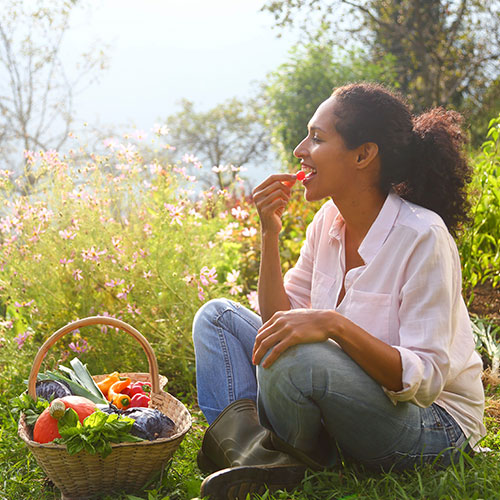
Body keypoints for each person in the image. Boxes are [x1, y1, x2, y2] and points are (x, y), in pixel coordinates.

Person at [192, 82, 486, 500]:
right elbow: (278, 321)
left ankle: (273, 455)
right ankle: (261, 459)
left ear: (364, 155)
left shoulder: (423, 237)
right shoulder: (328, 221)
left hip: (430, 424)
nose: (300, 149)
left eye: (317, 137)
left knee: (298, 356)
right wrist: (269, 235)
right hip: (347, 399)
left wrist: (332, 324)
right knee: (216, 317)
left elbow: (426, 381)